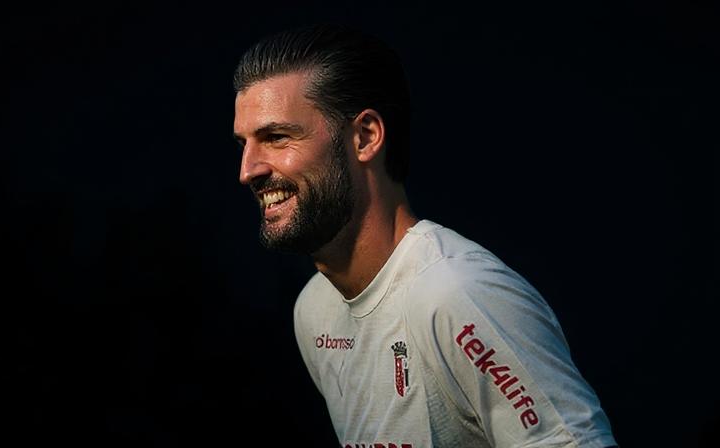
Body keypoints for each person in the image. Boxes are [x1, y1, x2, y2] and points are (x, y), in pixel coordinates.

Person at [233, 24, 617, 448]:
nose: (248, 170)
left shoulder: (456, 294)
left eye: (276, 137)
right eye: (244, 144)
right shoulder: (314, 312)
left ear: (365, 137)